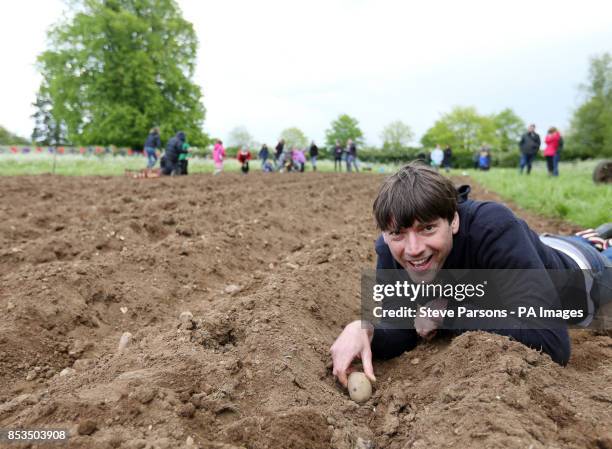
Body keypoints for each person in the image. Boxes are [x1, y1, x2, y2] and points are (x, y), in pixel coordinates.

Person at [330, 162, 611, 387]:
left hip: (583, 273)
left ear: (453, 220)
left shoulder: (494, 228)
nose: (413, 250)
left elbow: (553, 343)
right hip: (538, 247)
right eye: (398, 234)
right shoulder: (390, 251)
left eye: (428, 228)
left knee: (598, 253)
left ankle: (597, 241)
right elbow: (402, 329)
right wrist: (366, 328)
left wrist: (450, 312)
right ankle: (595, 235)